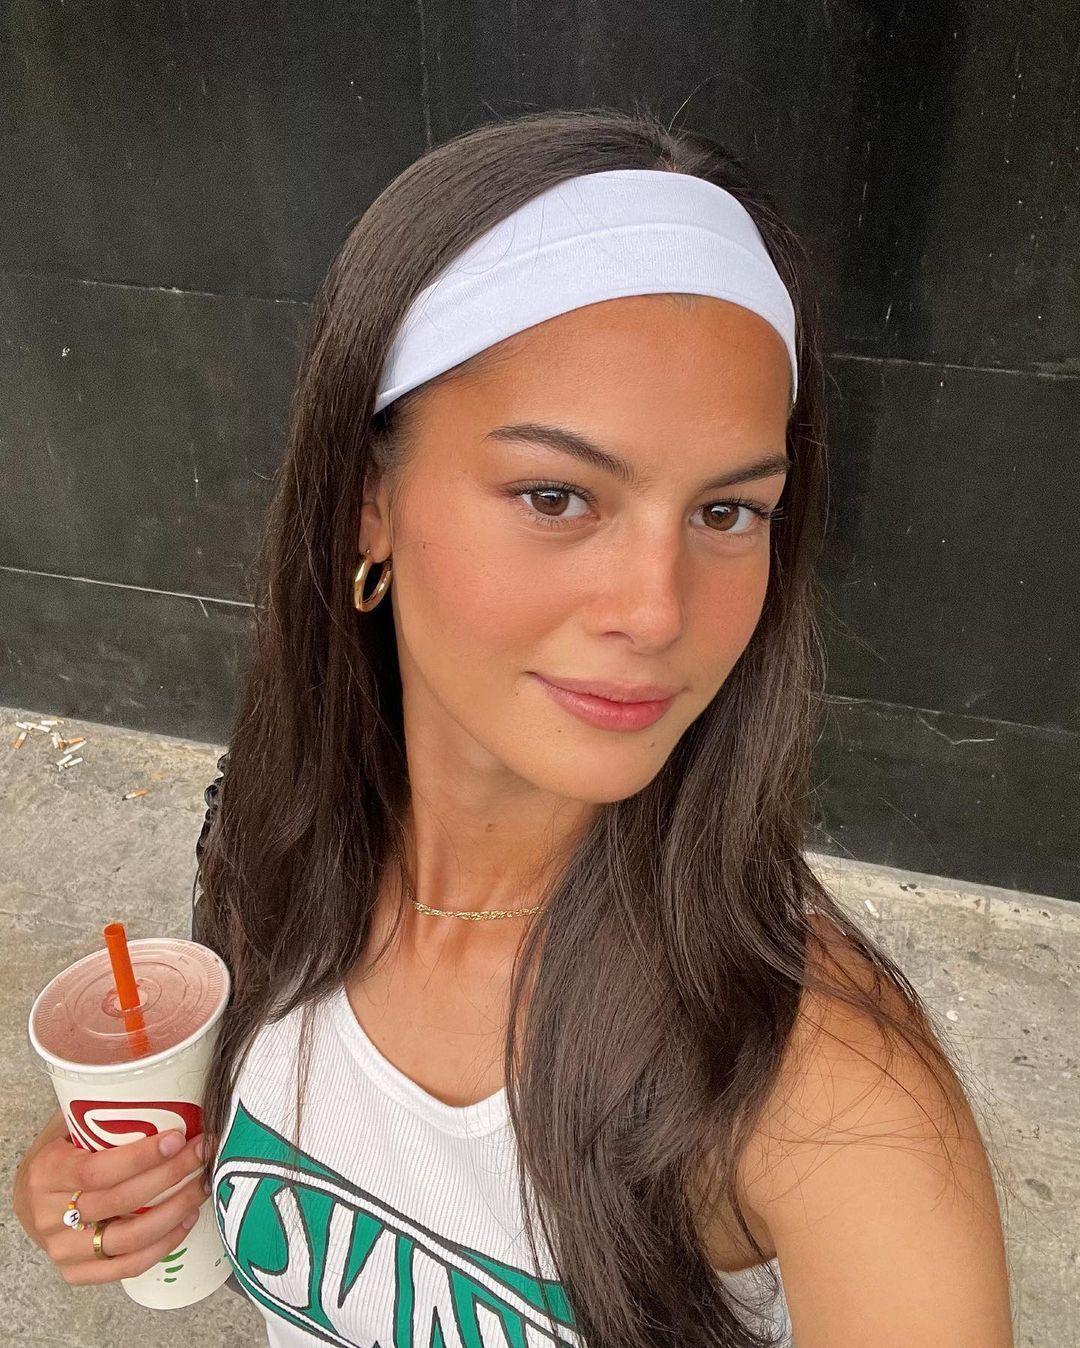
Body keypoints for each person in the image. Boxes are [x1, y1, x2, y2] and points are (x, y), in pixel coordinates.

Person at [13, 107, 1014, 1347]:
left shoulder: (819, 1084)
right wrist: (118, 1192)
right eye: (557, 495)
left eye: (728, 512)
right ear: (368, 505)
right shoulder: (280, 854)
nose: (657, 611)